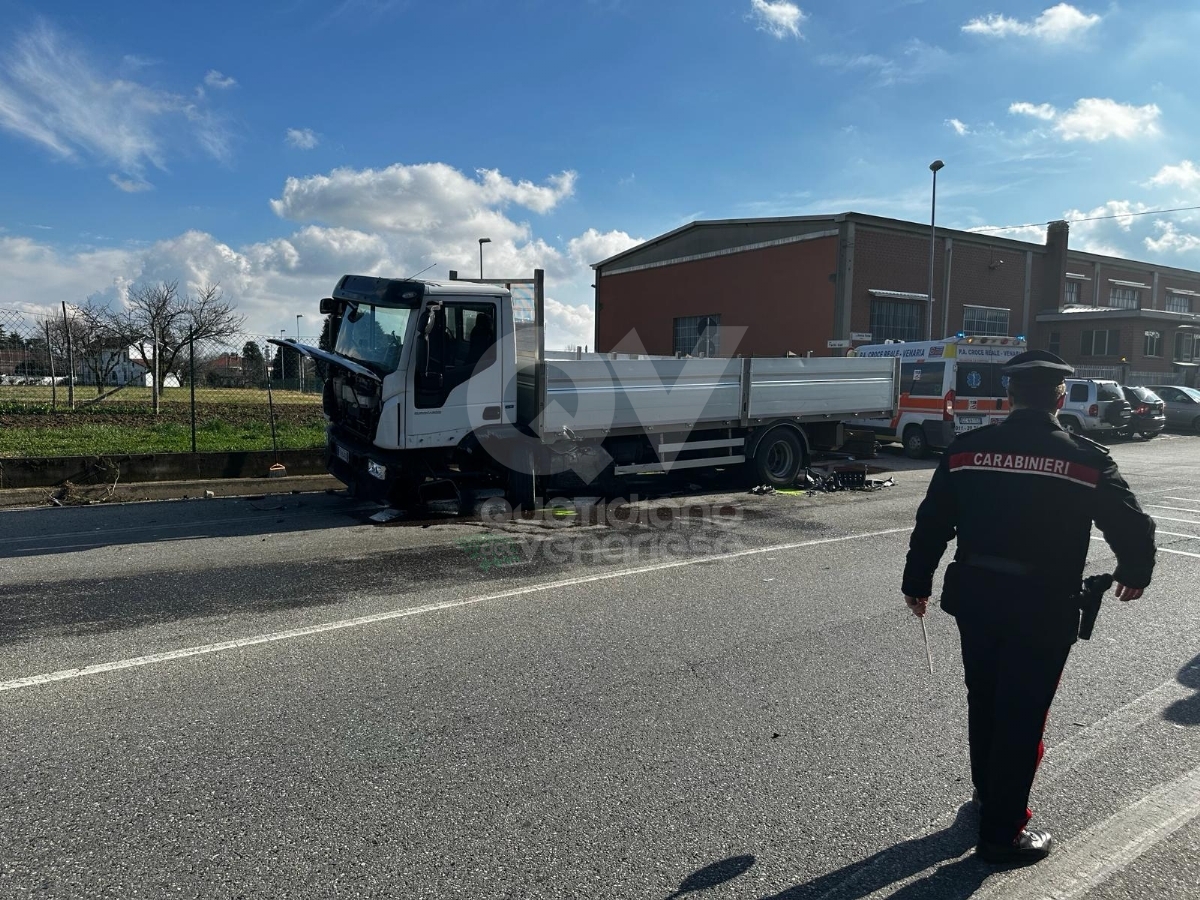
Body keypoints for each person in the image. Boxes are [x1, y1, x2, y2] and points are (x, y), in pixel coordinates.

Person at [901, 349, 1156, 865]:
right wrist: (1134, 572)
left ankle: (985, 794)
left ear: (1010, 396)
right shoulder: (1086, 458)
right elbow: (1131, 525)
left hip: (976, 598)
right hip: (1042, 605)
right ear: (1060, 397)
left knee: (986, 699)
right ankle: (1001, 833)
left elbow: (932, 523)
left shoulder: (968, 449)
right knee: (1022, 714)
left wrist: (916, 582)